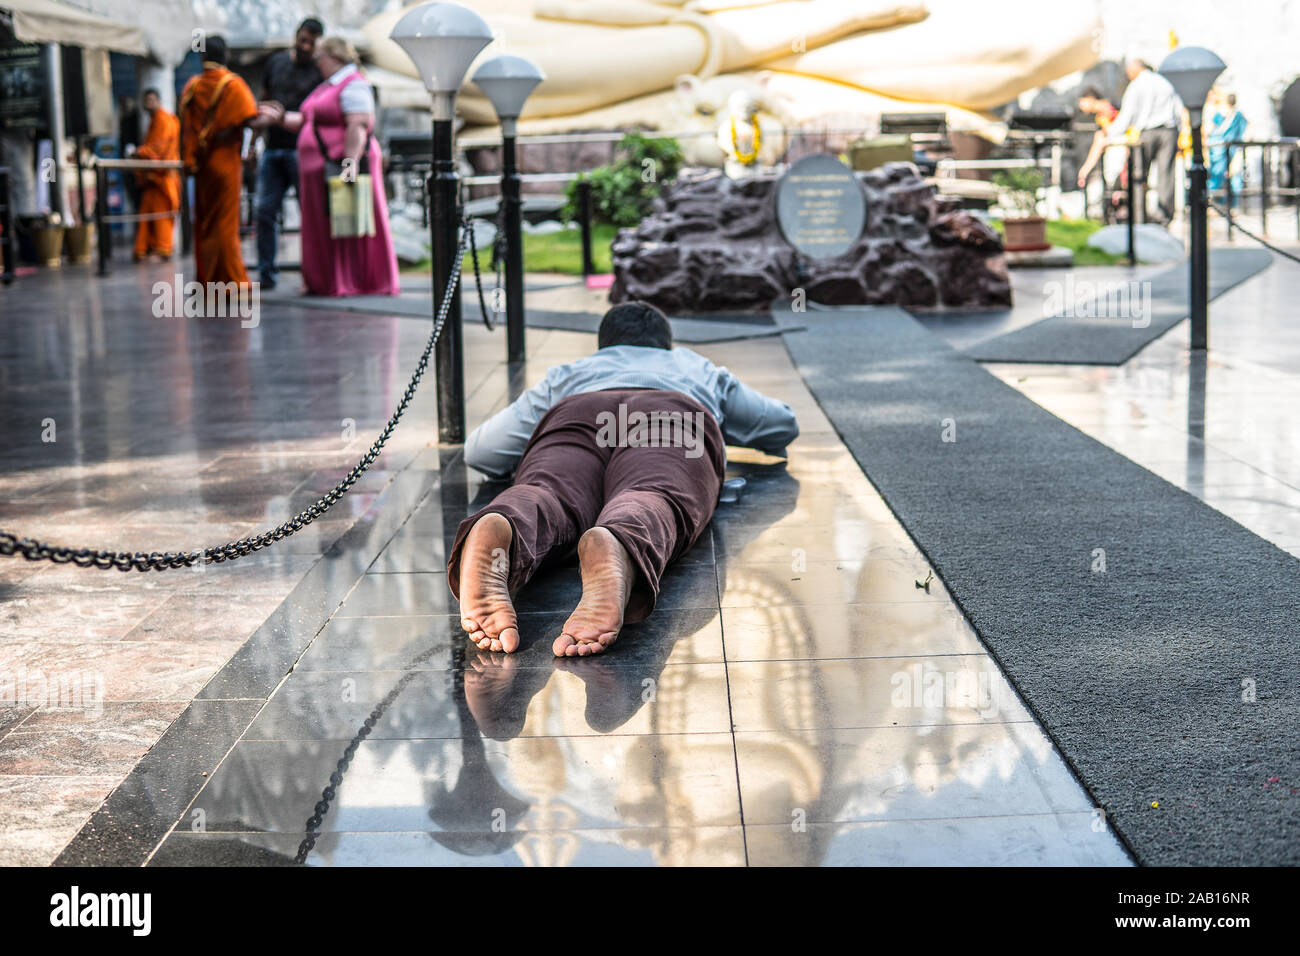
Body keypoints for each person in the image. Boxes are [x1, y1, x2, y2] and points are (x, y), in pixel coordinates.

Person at [448, 302, 799, 657]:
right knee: (652, 493)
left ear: (603, 346)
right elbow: (781, 425)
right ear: (666, 343)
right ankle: (620, 543)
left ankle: (506, 524)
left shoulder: (571, 372)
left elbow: (482, 451)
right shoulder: (694, 365)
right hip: (672, 412)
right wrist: (723, 428)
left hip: (578, 412)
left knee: (546, 491)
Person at [262, 36, 398, 296]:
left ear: (334, 57)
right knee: (327, 225)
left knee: (345, 224)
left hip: (337, 166)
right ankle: (325, 281)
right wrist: (279, 119)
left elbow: (358, 125)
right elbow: (306, 120)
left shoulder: (353, 84)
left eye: (320, 57)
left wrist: (350, 163)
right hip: (321, 169)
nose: (316, 62)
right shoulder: (329, 85)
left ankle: (351, 281)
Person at [179, 36, 262, 286]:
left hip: (201, 164)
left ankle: (207, 282)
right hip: (225, 161)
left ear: (203, 57)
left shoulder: (192, 86)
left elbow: (186, 127)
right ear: (225, 55)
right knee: (225, 223)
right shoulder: (232, 85)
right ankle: (230, 282)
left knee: (205, 222)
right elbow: (248, 118)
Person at [255, 17, 323, 290]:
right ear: (296, 36)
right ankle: (267, 274)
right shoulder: (276, 63)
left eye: (311, 43)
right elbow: (261, 104)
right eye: (302, 39)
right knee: (264, 211)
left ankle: (313, 274)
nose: (305, 46)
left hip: (303, 151)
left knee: (310, 213)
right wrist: (251, 145)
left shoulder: (319, 70)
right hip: (273, 150)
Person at [1108, 57, 1183, 225]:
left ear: (1135, 68)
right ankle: (1164, 217)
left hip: (1147, 132)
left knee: (1139, 174)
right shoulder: (1165, 82)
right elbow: (1178, 109)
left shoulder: (1137, 85)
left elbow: (1128, 114)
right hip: (1169, 130)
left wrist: (1110, 134)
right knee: (1166, 175)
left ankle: (1138, 216)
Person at [130, 89, 181, 262]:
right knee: (147, 214)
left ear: (159, 101)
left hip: (162, 177)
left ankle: (163, 248)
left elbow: (160, 147)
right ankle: (144, 249)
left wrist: (140, 151)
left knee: (161, 214)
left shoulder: (164, 120)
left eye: (151, 100)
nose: (148, 103)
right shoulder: (154, 121)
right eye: (146, 100)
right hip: (152, 179)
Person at [1206, 88, 1246, 199]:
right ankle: (1233, 205)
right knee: (1233, 176)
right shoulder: (1238, 115)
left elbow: (1209, 130)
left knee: (1218, 175)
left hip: (1219, 148)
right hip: (1232, 147)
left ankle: (1212, 202)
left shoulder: (1221, 114)